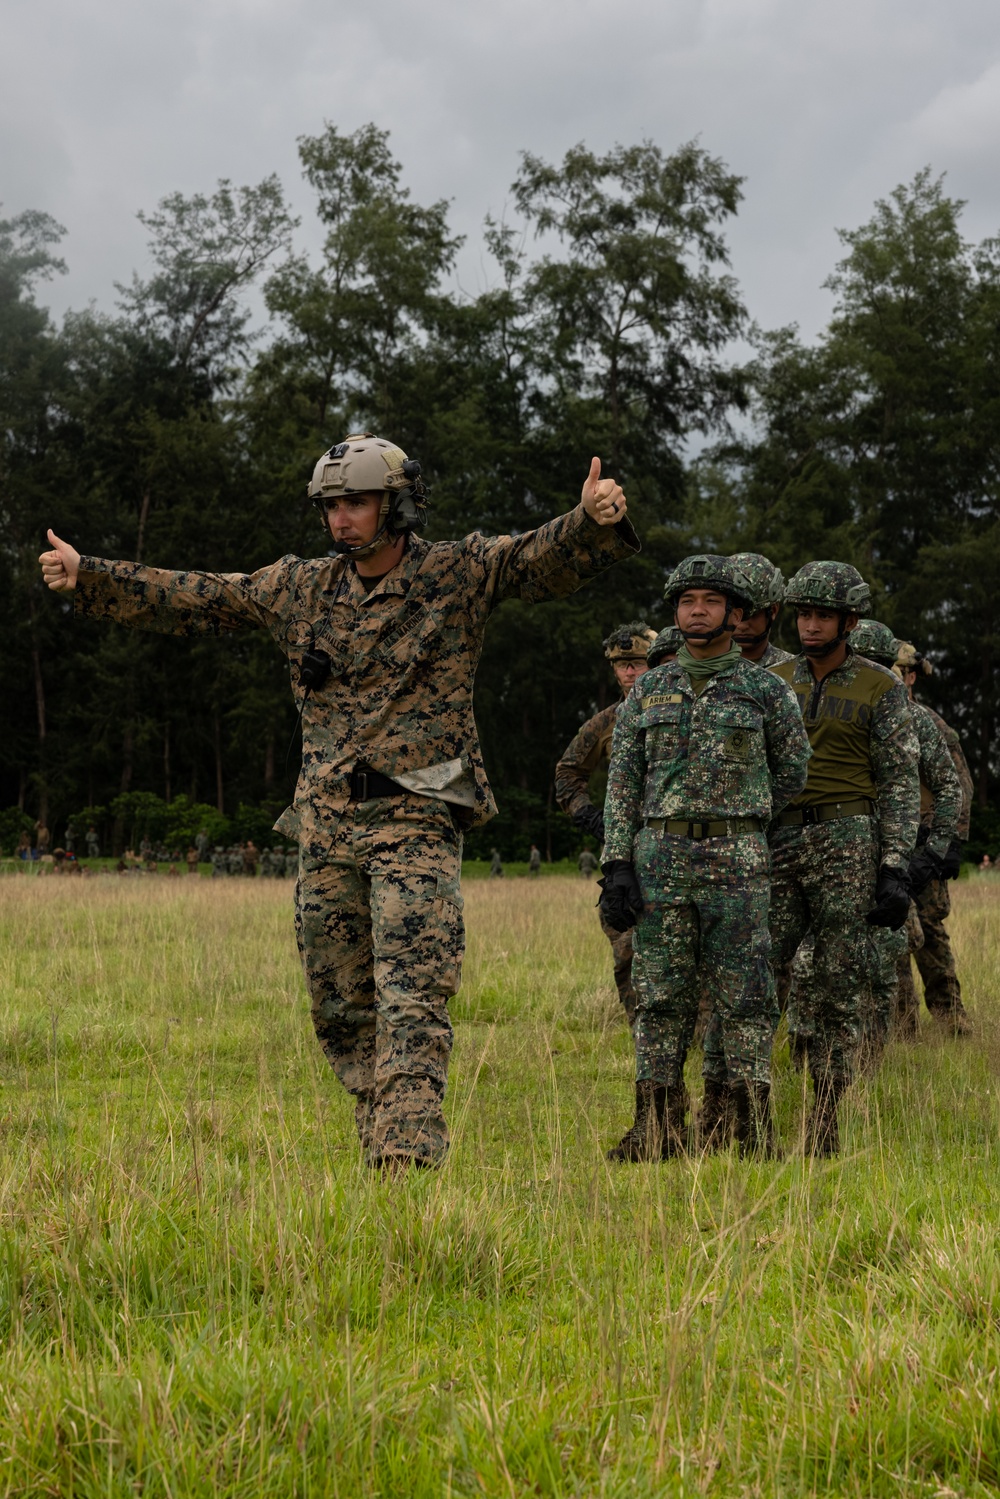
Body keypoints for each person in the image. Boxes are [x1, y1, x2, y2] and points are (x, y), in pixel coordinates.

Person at [41, 436, 638, 1171]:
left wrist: (589, 519)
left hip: (419, 811)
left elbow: (531, 560)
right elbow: (201, 595)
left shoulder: (453, 574)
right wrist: (90, 575)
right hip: (325, 822)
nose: (341, 520)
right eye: (331, 507)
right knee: (340, 1001)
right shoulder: (300, 588)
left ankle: (408, 1155)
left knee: (412, 986)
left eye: (355, 503)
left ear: (396, 503)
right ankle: (379, 1124)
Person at [601, 554, 811, 1161]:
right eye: (686, 602)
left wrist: (743, 813)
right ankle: (657, 1128)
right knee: (660, 994)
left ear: (735, 614)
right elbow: (623, 782)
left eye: (710, 602)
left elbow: (793, 772)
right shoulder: (648, 689)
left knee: (746, 993)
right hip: (660, 857)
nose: (697, 611)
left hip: (738, 859)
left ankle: (751, 1127)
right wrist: (618, 863)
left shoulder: (766, 690)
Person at [767, 564, 919, 1155]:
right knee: (756, 976)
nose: (809, 625)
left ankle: (824, 1122)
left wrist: (894, 865)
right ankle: (740, 1114)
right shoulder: (774, 681)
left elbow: (901, 781)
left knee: (837, 983)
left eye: (822, 616)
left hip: (847, 838)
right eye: (803, 614)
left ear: (848, 622)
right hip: (778, 839)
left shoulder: (881, 687)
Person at [554, 622, 657, 1029]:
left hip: (682, 843)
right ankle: (644, 1041)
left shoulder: (689, 706)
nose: (630, 672)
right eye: (622, 665)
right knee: (627, 949)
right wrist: (593, 818)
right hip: (624, 854)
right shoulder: (606, 722)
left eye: (637, 663)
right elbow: (567, 773)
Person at [893, 640, 973, 1034]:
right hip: (887, 837)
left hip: (926, 841)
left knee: (930, 931)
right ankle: (901, 1025)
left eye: (897, 670)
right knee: (893, 933)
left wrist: (952, 842)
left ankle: (950, 1016)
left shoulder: (929, 723)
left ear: (911, 677)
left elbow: (959, 784)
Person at [730, 553, 795, 668]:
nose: (742, 626)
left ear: (773, 611)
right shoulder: (699, 667)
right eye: (735, 614)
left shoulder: (791, 669)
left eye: (751, 615)